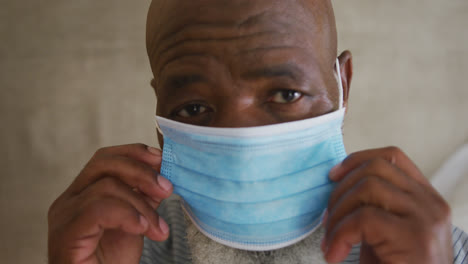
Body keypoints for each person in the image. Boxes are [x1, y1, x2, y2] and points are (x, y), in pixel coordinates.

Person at [47, 0, 468, 263]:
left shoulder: (427, 248)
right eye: (194, 107)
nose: (243, 148)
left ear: (343, 84)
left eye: (286, 94)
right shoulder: (124, 245)